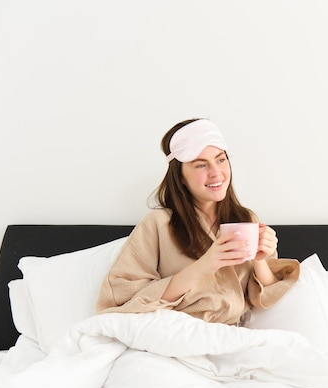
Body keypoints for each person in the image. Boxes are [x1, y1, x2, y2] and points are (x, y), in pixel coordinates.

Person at [96, 118, 300, 325]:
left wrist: (259, 260)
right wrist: (206, 265)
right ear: (181, 176)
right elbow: (121, 299)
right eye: (201, 165)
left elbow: (264, 298)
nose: (216, 173)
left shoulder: (246, 220)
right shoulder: (158, 224)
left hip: (231, 336)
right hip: (174, 331)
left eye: (220, 160)